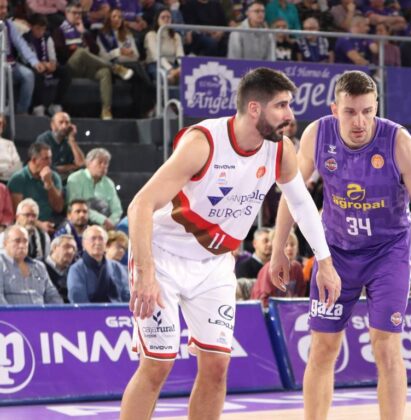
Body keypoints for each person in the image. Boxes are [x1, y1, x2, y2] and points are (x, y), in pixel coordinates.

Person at [119, 67, 340, 420]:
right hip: (163, 256)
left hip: (216, 263)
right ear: (254, 108)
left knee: (217, 366)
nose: (290, 115)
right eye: (281, 105)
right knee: (157, 365)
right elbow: (140, 205)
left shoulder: (281, 150)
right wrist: (145, 274)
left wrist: (325, 262)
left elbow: (301, 204)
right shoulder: (203, 143)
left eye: (289, 105)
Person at [269, 70, 411, 420]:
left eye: (367, 111)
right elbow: (293, 193)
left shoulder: (399, 142)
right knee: (323, 347)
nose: (360, 121)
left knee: (386, 347)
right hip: (335, 252)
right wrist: (278, 248)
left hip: (388, 252)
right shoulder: (317, 134)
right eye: (350, 112)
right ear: (335, 110)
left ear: (376, 108)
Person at [0, 225, 63, 304]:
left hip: (41, 312)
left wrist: (58, 311)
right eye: (17, 241)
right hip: (12, 312)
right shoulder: (1, 264)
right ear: (5, 243)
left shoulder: (39, 266)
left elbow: (52, 296)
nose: (22, 245)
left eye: (25, 241)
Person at [67, 225, 130, 303]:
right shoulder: (76, 269)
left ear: (105, 243)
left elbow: (126, 295)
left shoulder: (117, 267)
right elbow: (78, 299)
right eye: (93, 238)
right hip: (90, 310)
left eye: (101, 239)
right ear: (84, 243)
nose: (97, 242)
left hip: (117, 310)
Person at [7, 142, 64, 226]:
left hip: (52, 222)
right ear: (34, 160)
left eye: (50, 158)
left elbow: (58, 208)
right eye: (46, 159)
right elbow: (18, 214)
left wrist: (49, 184)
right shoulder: (17, 179)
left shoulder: (54, 177)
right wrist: (40, 225)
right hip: (27, 224)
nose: (50, 162)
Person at [65, 148, 123, 230]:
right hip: (80, 221)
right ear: (88, 163)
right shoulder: (75, 178)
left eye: (106, 163)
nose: (104, 166)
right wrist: (102, 220)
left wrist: (111, 222)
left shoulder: (109, 183)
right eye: (100, 162)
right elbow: (74, 206)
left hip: (106, 225)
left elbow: (117, 210)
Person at [252, 229, 306, 307]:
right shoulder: (269, 269)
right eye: (285, 245)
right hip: (265, 310)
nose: (289, 248)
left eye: (292, 244)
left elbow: (301, 296)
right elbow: (263, 301)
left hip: (291, 310)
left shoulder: (297, 268)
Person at [35, 111, 85, 178]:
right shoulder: (44, 139)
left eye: (67, 123)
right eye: (61, 122)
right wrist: (71, 167)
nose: (64, 126)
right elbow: (44, 166)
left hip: (66, 178)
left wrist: (72, 140)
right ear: (52, 125)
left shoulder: (69, 141)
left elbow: (81, 163)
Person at [44, 234, 78, 302]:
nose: (70, 251)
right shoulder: (37, 267)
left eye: (74, 249)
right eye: (66, 246)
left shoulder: (74, 271)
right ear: (54, 247)